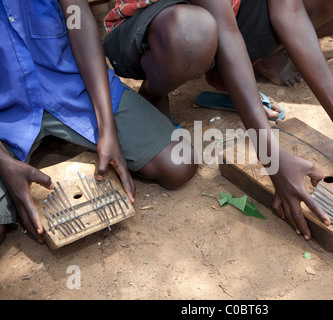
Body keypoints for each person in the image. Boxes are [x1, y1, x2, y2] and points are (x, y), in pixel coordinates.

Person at [102, 0, 333, 241]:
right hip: (146, 28)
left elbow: (290, 10)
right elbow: (224, 29)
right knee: (194, 32)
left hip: (222, 15)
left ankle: (229, 71)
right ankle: (156, 89)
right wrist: (271, 157)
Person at [0, 0, 197, 245]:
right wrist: (4, 164)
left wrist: (107, 126)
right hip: (6, 117)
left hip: (73, 88)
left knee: (178, 164)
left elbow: (77, 20)